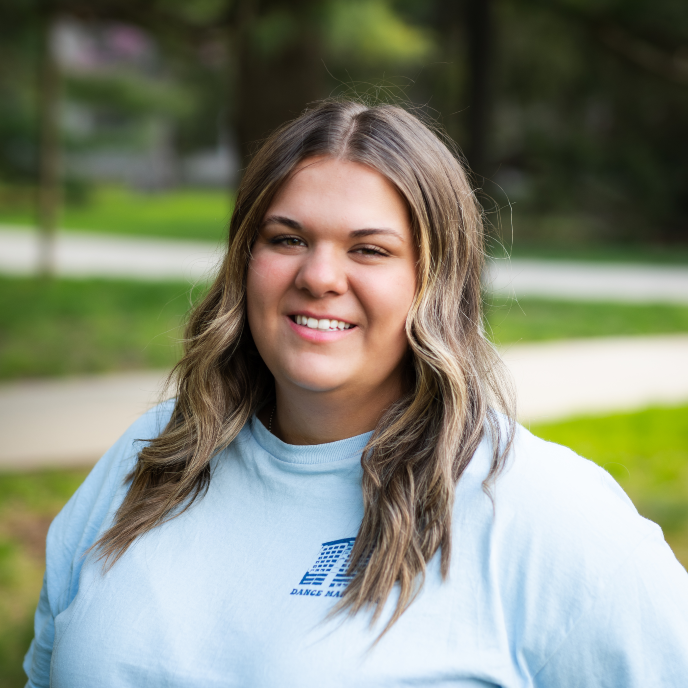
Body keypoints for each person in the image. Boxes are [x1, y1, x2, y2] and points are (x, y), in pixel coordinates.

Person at [24, 100, 688, 687]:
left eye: (368, 251)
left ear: (437, 282)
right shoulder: (153, 459)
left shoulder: (539, 511)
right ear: (243, 261)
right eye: (287, 239)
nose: (318, 276)